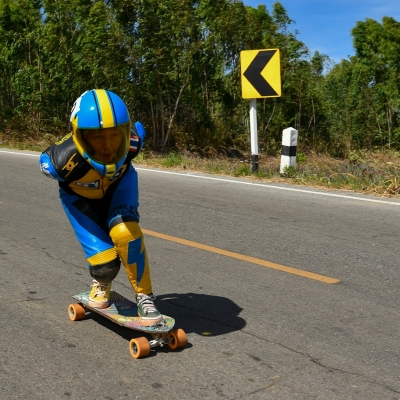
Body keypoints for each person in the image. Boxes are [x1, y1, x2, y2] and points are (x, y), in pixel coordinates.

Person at [39, 89, 162, 326]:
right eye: (97, 137)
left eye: (115, 135)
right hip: (79, 198)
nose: (107, 146)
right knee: (104, 264)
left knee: (125, 232)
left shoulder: (134, 142)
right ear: (79, 137)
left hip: (120, 186)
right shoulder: (59, 163)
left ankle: (145, 297)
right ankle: (101, 284)